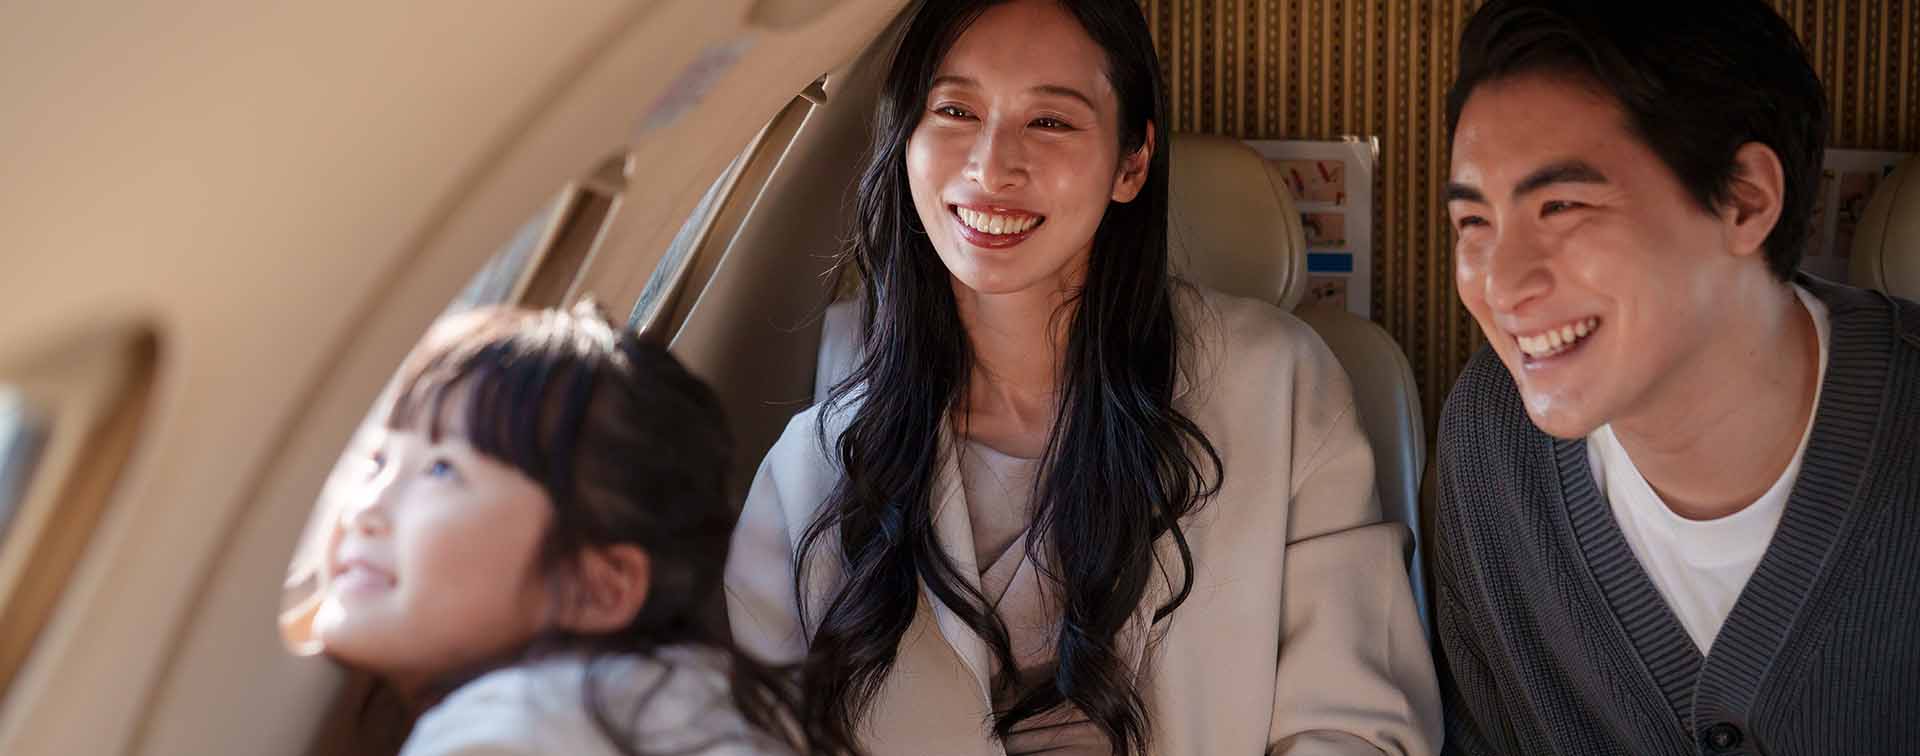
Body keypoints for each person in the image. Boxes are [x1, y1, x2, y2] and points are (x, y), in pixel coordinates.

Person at [724, 1, 1440, 754]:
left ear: (1131, 163)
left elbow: (1355, 731)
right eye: (956, 109)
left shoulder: (1282, 389)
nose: (992, 165)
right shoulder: (815, 465)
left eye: (1051, 122)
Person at [1433, 1, 1920, 754]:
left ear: (1744, 200)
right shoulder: (1490, 438)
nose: (1501, 284)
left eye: (1560, 206)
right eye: (1474, 224)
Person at [290, 303, 852, 755]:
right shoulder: (695, 696)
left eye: (442, 470)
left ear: (594, 587)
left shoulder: (507, 732)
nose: (368, 507)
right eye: (375, 463)